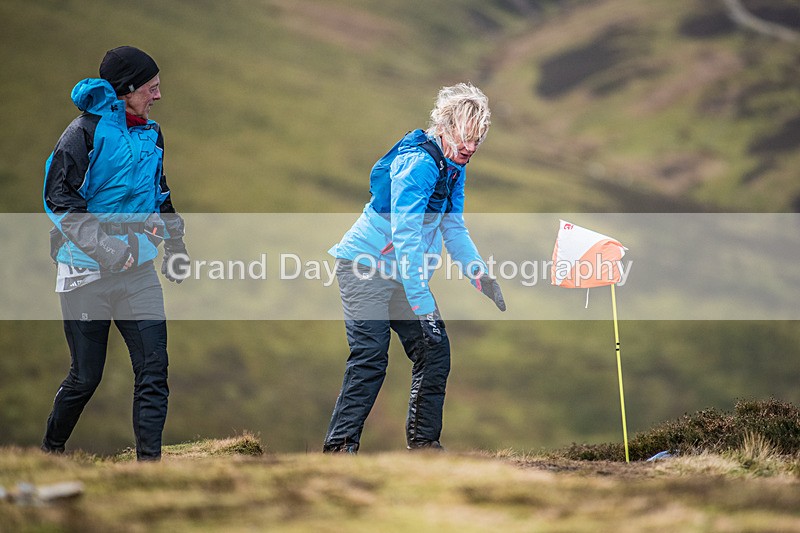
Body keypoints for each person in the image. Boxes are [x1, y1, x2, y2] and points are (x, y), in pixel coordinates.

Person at [323, 83, 506, 454]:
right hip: (364, 267)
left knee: (435, 351)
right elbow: (405, 237)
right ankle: (339, 450)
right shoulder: (419, 165)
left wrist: (479, 274)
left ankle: (424, 447)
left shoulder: (453, 166)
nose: (470, 147)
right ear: (445, 126)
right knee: (370, 357)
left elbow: (452, 226)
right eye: (465, 137)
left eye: (477, 140)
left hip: (402, 274)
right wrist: (422, 303)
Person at [41, 46, 188, 461]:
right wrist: (105, 248)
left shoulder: (151, 134)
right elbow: (59, 199)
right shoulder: (83, 133)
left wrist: (176, 244)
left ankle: (149, 467)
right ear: (126, 90)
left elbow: (160, 194)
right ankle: (50, 451)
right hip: (84, 271)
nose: (158, 96)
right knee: (85, 378)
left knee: (154, 369)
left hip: (137, 270)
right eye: (151, 88)